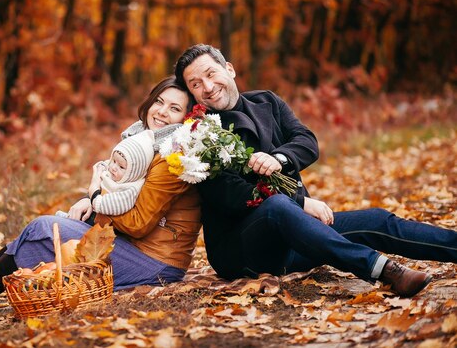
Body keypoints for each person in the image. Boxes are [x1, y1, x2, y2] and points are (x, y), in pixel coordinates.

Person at [173, 43, 457, 298]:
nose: (207, 87)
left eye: (211, 74)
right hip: (243, 250)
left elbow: (306, 141)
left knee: (377, 219)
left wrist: (280, 158)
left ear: (229, 69)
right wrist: (301, 202)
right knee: (279, 206)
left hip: (298, 237)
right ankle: (386, 271)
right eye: (196, 84)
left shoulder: (267, 102)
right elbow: (231, 195)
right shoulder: (199, 133)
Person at [0, 76, 201, 315]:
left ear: (185, 118)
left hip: (155, 263)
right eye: (159, 102)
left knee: (43, 229)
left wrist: (95, 195)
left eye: (174, 109)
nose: (162, 112)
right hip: (136, 247)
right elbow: (128, 196)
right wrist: (91, 201)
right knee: (38, 232)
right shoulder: (145, 142)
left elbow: (138, 223)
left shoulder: (173, 156)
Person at [56, 130, 156, 224]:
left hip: (102, 223)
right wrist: (101, 167)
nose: (113, 167)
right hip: (93, 209)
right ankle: (71, 219)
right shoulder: (117, 172)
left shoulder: (130, 190)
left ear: (133, 173)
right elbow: (105, 164)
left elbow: (111, 205)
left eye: (121, 167)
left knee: (90, 217)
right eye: (114, 161)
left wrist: (94, 192)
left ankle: (73, 223)